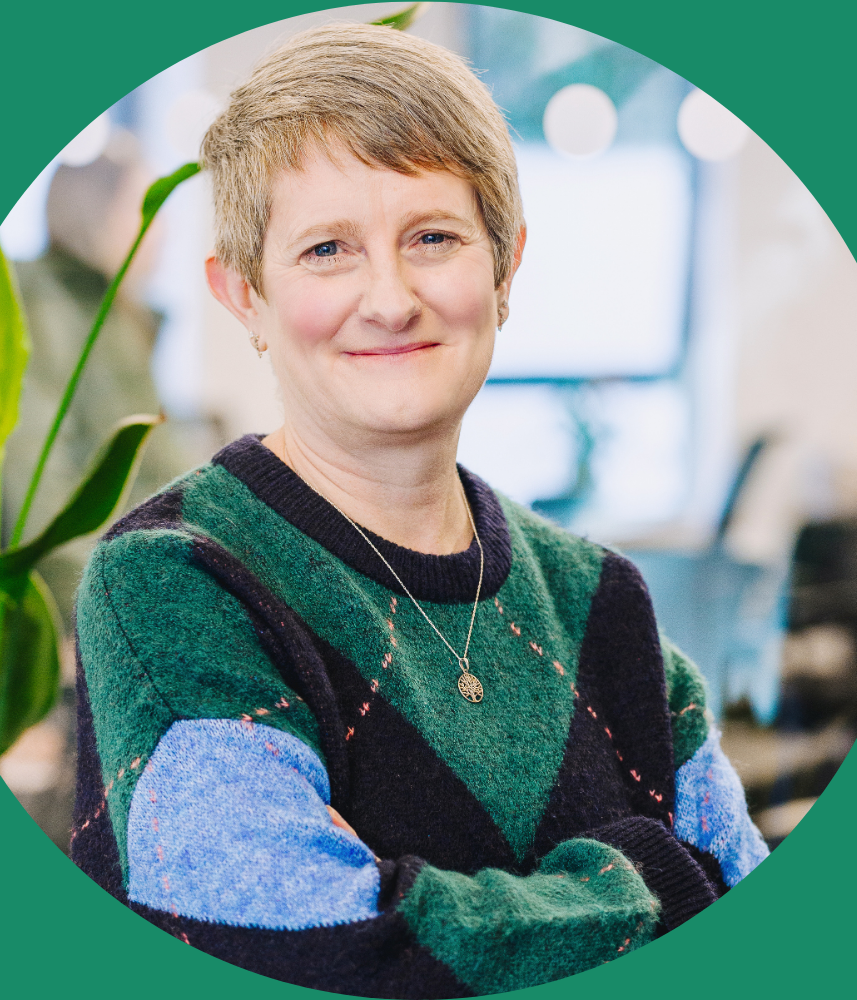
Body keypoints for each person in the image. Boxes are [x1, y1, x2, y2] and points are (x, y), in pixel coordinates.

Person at [72, 23, 768, 997]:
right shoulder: (176, 580)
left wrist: (411, 901)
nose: (390, 299)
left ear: (504, 267)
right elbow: (306, 953)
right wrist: (650, 880)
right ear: (244, 296)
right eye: (326, 249)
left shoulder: (605, 603)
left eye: (432, 237)